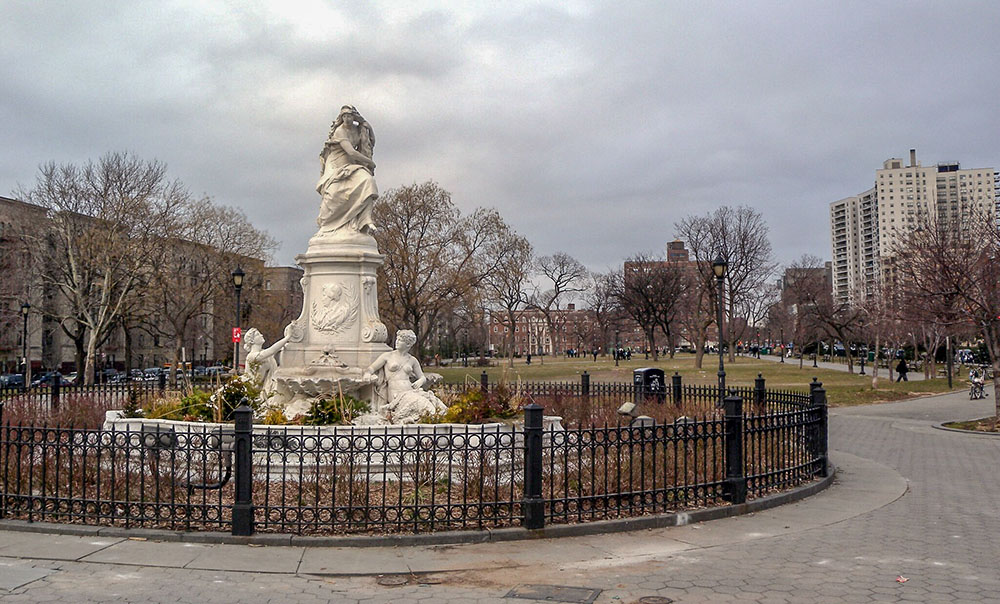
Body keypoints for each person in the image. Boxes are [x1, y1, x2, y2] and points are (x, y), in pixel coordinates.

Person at [315, 105, 378, 235]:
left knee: (368, 180)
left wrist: (366, 124)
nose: (347, 119)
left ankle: (365, 219)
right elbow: (351, 152)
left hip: (351, 164)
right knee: (333, 192)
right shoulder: (340, 131)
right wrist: (370, 162)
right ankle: (328, 225)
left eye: (349, 116)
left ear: (354, 117)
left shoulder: (358, 129)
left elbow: (372, 141)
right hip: (336, 163)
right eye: (344, 116)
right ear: (341, 117)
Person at [364, 330, 447, 422]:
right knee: (425, 405)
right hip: (397, 395)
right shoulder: (387, 356)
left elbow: (422, 377)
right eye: (397, 339)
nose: (397, 342)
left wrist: (420, 381)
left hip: (410, 391)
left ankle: (432, 422)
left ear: (408, 344)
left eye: (400, 340)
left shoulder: (412, 360)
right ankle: (431, 422)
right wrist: (367, 374)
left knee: (437, 404)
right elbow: (371, 368)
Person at [242, 325, 293, 394]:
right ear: (252, 341)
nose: (261, 335)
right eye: (258, 334)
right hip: (250, 389)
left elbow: (275, 350)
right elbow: (272, 350)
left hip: (261, 388)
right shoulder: (251, 356)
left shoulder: (266, 354)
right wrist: (287, 337)